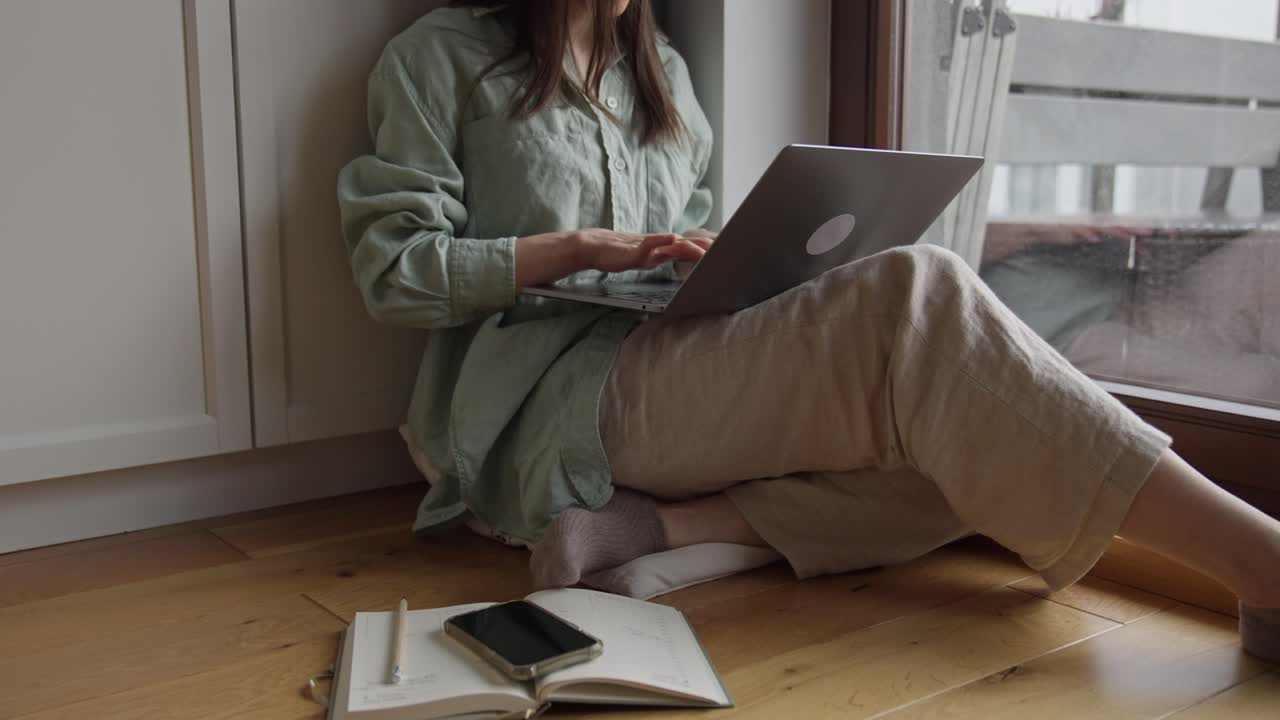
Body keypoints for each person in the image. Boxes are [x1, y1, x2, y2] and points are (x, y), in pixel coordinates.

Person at [338, 0, 1280, 660]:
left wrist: (701, 260)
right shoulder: (440, 57)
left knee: (970, 437)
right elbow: (394, 273)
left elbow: (681, 238)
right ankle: (1260, 560)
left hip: (668, 358)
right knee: (925, 301)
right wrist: (582, 247)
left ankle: (655, 527)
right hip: (551, 393)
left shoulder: (662, 73)